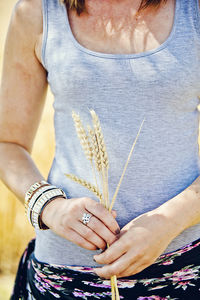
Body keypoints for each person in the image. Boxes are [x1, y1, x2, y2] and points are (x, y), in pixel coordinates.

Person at [1, 0, 200, 299]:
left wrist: (169, 222)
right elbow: (8, 144)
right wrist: (50, 207)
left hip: (184, 270)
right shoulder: (37, 12)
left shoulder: (193, 12)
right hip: (65, 277)